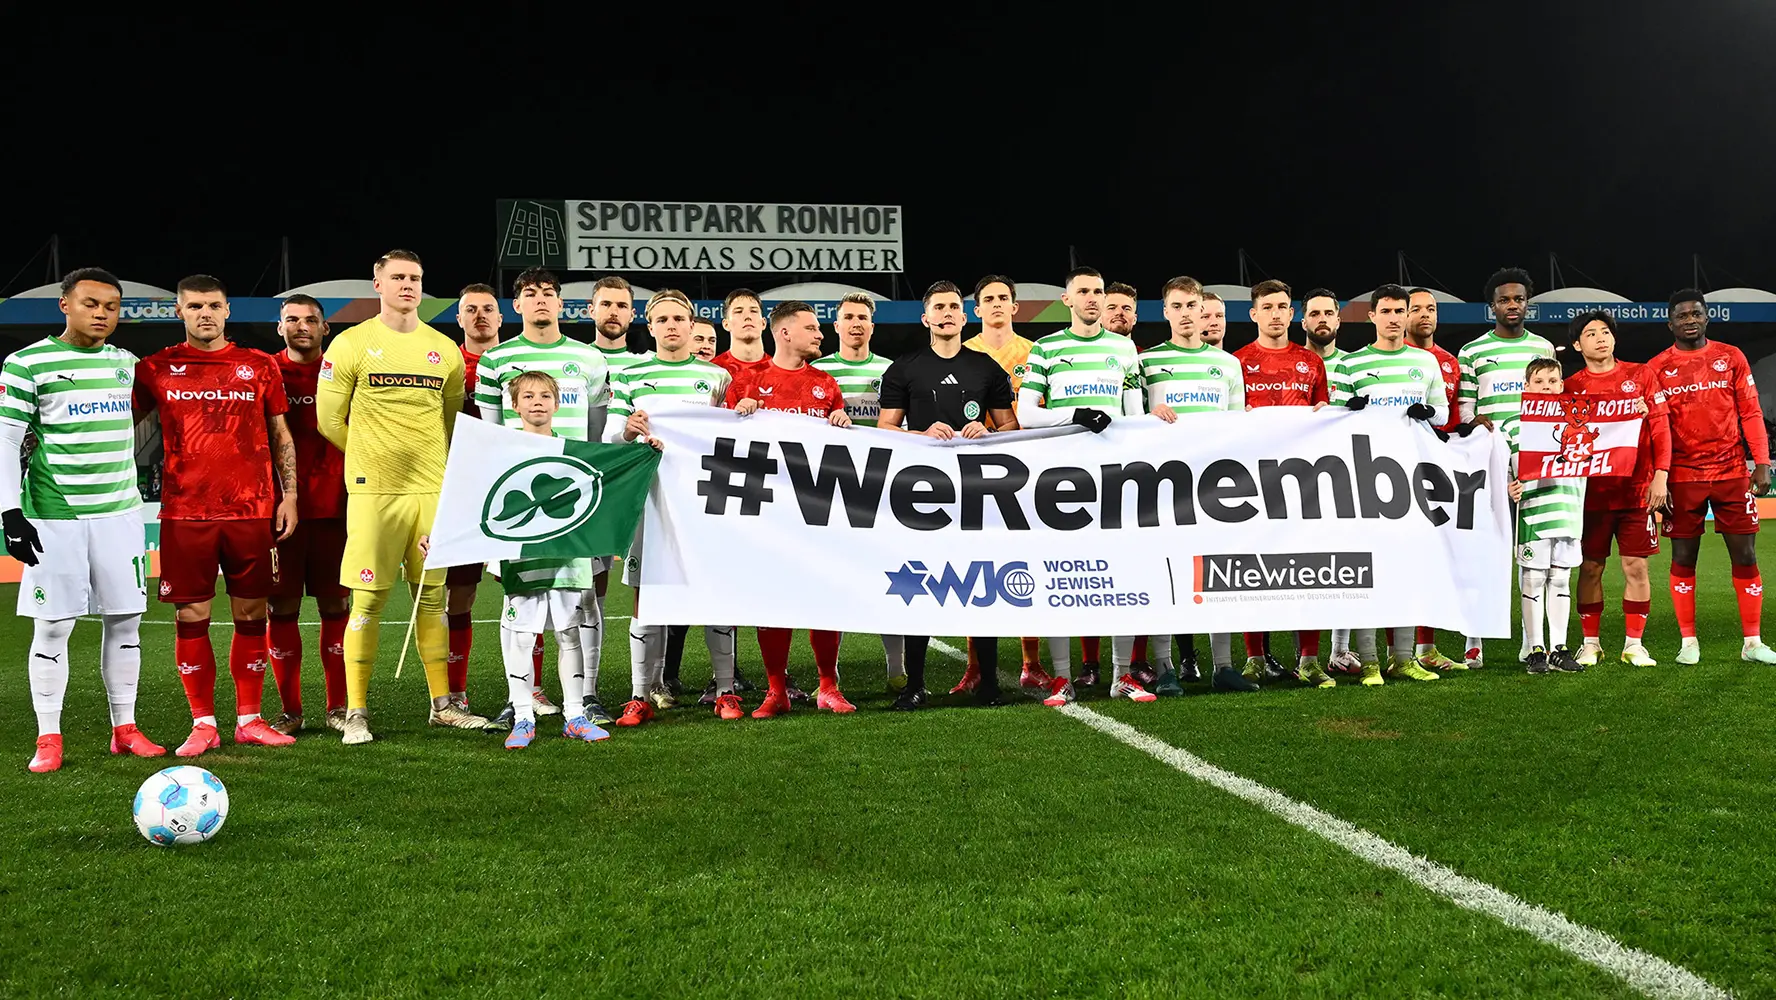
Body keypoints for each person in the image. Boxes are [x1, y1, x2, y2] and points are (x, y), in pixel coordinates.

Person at [315, 249, 488, 743]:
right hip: (374, 491)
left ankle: (443, 705)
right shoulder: (351, 343)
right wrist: (371, 456)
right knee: (366, 599)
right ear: (378, 284)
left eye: (414, 278)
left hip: (431, 489)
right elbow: (329, 421)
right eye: (398, 277)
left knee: (433, 598)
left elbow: (452, 422)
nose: (407, 285)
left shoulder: (444, 349)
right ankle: (356, 712)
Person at [1, 268, 165, 772]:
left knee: (126, 621)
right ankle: (49, 736)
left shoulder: (126, 364)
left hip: (119, 514)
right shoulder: (26, 364)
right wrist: (10, 512)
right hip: (56, 516)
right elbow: (7, 440)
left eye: (111, 307)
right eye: (91, 303)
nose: (102, 314)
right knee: (53, 626)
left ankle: (126, 728)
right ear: (64, 305)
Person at [134, 274, 299, 755]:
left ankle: (249, 717)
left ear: (228, 311)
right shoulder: (155, 369)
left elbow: (280, 435)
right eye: (195, 306)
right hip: (185, 514)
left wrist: (289, 496)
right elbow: (122, 429)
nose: (205, 313)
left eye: (214, 305)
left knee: (252, 613)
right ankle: (203, 723)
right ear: (179, 312)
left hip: (252, 511)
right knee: (192, 614)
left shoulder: (259, 366)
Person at [473, 268, 611, 725]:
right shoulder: (496, 360)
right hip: (519, 506)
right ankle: (522, 700)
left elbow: (594, 435)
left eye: (548, 294)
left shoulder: (589, 359)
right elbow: (490, 437)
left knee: (582, 600)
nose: (540, 301)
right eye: (529, 294)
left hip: (572, 501)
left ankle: (585, 699)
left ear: (560, 304)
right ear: (518, 305)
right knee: (520, 601)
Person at [876, 281, 1018, 710]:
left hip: (977, 490)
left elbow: (1011, 428)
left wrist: (987, 432)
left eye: (954, 307)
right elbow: (885, 430)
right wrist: (920, 434)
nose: (947, 313)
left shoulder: (986, 367)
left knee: (984, 579)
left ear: (964, 315)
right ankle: (915, 684)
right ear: (926, 318)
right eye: (938, 307)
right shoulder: (904, 368)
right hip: (922, 493)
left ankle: (989, 682)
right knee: (920, 582)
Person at [605, 290, 736, 721]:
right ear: (650, 325)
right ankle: (640, 695)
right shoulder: (629, 374)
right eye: (663, 320)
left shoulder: (716, 378)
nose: (672, 326)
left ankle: (725, 691)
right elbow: (609, 439)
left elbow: (731, 441)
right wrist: (628, 431)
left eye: (680, 318)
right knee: (648, 598)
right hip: (652, 501)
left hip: (704, 503)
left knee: (715, 593)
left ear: (691, 323)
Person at [1017, 266, 1144, 705]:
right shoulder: (1045, 348)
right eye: (1083, 292)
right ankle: (1063, 679)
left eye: (1098, 291)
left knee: (1123, 575)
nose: (1092, 298)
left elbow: (1133, 414)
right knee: (1060, 575)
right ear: (1067, 300)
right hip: (1061, 479)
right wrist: (1073, 416)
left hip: (1114, 477)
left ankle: (1122, 677)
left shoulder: (1124, 348)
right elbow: (1027, 413)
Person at [726, 300, 857, 718]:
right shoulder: (747, 382)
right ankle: (776, 690)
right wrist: (737, 417)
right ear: (784, 333)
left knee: (823, 594)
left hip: (816, 508)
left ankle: (828, 686)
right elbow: (722, 447)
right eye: (812, 327)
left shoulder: (826, 383)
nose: (820, 334)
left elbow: (840, 448)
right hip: (767, 512)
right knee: (772, 598)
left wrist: (842, 421)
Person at [1328, 284, 1448, 686]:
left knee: (1408, 569)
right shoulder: (1350, 365)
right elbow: (1332, 419)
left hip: (1413, 480)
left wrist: (1428, 411)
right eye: (1388, 311)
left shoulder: (1425, 362)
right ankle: (1370, 662)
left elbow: (1445, 413)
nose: (1395, 318)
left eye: (1402, 311)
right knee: (1369, 571)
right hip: (1364, 479)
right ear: (1372, 316)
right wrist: (1348, 412)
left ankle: (1403, 659)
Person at [1136, 275, 1250, 696]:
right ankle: (1165, 668)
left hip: (1215, 489)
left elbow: (1239, 426)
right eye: (1177, 306)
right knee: (1167, 576)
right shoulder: (1145, 362)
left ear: (1204, 310)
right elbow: (1132, 425)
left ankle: (1223, 666)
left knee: (1217, 575)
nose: (1186, 314)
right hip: (1164, 488)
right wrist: (1149, 417)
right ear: (1165, 311)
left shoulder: (1227, 365)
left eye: (1193, 306)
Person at [1649, 289, 1776, 664]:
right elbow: (1654, 427)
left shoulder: (1730, 357)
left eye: (1696, 313)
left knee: (1745, 554)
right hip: (1682, 476)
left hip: (1732, 471)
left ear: (1707, 317)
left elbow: (1751, 412)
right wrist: (1657, 475)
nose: (1690, 319)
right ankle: (1689, 642)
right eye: (1682, 315)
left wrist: (1762, 461)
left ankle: (1752, 642)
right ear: (1670, 322)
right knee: (1683, 556)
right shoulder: (1656, 368)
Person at [491, 371, 611, 749]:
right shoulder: (501, 450)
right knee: (523, 636)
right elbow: (478, 499)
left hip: (568, 555)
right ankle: (523, 716)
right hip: (521, 556)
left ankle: (574, 714)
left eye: (545, 395)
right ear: (515, 406)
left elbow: (602, 493)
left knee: (568, 633)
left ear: (559, 405)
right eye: (527, 396)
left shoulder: (574, 451)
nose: (537, 402)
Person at [1233, 279, 1336, 689]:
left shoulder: (1311, 363)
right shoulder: (1236, 362)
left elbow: (1324, 414)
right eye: (1268, 306)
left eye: (1283, 306)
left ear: (1292, 314)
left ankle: (1308, 659)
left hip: (1302, 482)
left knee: (1305, 567)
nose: (1276, 314)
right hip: (1249, 481)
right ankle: (1255, 657)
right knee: (1251, 568)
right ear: (1254, 314)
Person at [1456, 267, 1556, 668]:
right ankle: (1473, 640)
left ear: (1527, 304)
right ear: (1491, 307)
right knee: (1481, 551)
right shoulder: (1472, 351)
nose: (1511, 305)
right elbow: (1465, 409)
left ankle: (1533, 641)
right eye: (1504, 300)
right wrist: (1475, 428)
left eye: (1518, 299)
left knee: (1533, 556)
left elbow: (1553, 405)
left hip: (1536, 465)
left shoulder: (1544, 347)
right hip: (1490, 464)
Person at [811, 292, 906, 693]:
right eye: (847, 317)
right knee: (832, 582)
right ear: (836, 326)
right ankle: (828, 678)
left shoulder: (892, 370)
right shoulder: (816, 371)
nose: (855, 323)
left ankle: (897, 670)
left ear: (872, 325)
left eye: (862, 317)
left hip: (882, 487)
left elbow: (905, 426)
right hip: (831, 488)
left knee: (892, 578)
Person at [1564, 310, 1670, 667]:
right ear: (1578, 344)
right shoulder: (1570, 386)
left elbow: (1660, 428)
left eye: (1605, 331)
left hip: (1635, 491)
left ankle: (1634, 645)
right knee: (1590, 568)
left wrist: (1661, 474)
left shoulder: (1641, 375)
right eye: (1591, 333)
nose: (1600, 337)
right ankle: (1590, 643)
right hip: (1590, 494)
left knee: (1636, 568)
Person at [266, 293, 351, 734]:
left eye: (311, 320)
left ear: (325, 329)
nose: (302, 326)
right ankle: (291, 711)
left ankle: (338, 708)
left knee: (336, 603)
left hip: (338, 508)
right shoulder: (266, 371)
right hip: (280, 512)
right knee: (281, 605)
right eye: (292, 319)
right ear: (279, 327)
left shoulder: (342, 372)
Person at [956, 274, 1043, 694]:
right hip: (971, 473)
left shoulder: (1035, 352)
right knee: (976, 566)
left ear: (1014, 307)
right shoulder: (963, 352)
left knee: (1027, 563)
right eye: (987, 299)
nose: (995, 304)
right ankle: (974, 666)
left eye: (1003, 298)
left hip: (1026, 471)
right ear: (977, 309)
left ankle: (1032, 662)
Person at [1500, 359, 1587, 673]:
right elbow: (1500, 472)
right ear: (1527, 387)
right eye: (1539, 381)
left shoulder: (1579, 423)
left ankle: (1559, 648)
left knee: (1561, 578)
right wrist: (1507, 489)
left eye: (1553, 380)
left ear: (1562, 385)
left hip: (1568, 511)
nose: (1547, 386)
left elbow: (1604, 453)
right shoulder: (1512, 425)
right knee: (1534, 579)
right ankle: (1535, 649)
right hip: (1533, 517)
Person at [443, 283, 504, 718]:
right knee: (459, 596)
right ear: (459, 319)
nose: (480, 316)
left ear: (501, 318)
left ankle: (533, 690)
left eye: (488, 309)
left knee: (525, 591)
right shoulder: (447, 364)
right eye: (471, 310)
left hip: (514, 491)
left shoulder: (516, 360)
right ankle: (456, 692)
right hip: (461, 494)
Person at [1401, 287, 1466, 672]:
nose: (1425, 314)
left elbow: (1452, 421)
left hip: (1432, 474)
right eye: (1416, 309)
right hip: (1388, 474)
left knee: (1431, 563)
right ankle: (1389, 652)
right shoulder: (1396, 358)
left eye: (1431, 308)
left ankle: (1426, 647)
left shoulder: (1449, 362)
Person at [712, 288, 771, 383]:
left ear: (763, 323)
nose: (748, 317)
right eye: (738, 312)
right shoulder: (713, 371)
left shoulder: (780, 369)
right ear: (726, 324)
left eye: (754, 311)